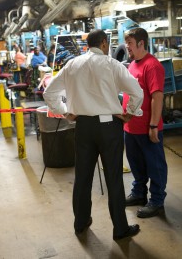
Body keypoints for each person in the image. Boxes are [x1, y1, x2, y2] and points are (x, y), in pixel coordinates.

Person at [43, 29, 143, 241]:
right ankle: (120, 229)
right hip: (110, 127)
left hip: (84, 126)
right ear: (105, 43)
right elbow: (137, 92)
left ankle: (81, 222)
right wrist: (130, 113)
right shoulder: (112, 65)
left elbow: (49, 93)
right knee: (114, 178)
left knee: (83, 177)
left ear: (88, 44)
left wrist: (65, 111)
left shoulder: (72, 64)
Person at [123, 27, 168, 218]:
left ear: (141, 43)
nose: (127, 47)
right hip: (131, 127)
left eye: (130, 44)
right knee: (136, 165)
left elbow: (157, 98)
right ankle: (139, 193)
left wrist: (153, 125)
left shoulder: (153, 66)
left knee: (155, 165)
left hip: (146, 128)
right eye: (127, 44)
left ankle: (157, 201)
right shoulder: (133, 64)